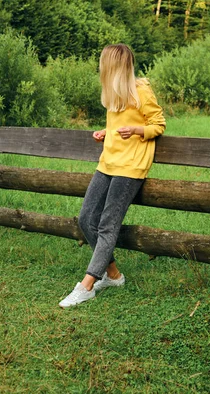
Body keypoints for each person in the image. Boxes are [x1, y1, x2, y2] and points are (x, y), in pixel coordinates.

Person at [59, 44, 166, 308]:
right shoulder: (113, 93)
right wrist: (105, 132)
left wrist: (139, 130)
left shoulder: (140, 90)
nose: (101, 68)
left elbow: (158, 124)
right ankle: (114, 275)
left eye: (104, 63)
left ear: (116, 66)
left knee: (108, 224)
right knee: (86, 219)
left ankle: (87, 284)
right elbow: (117, 125)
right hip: (108, 162)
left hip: (130, 167)